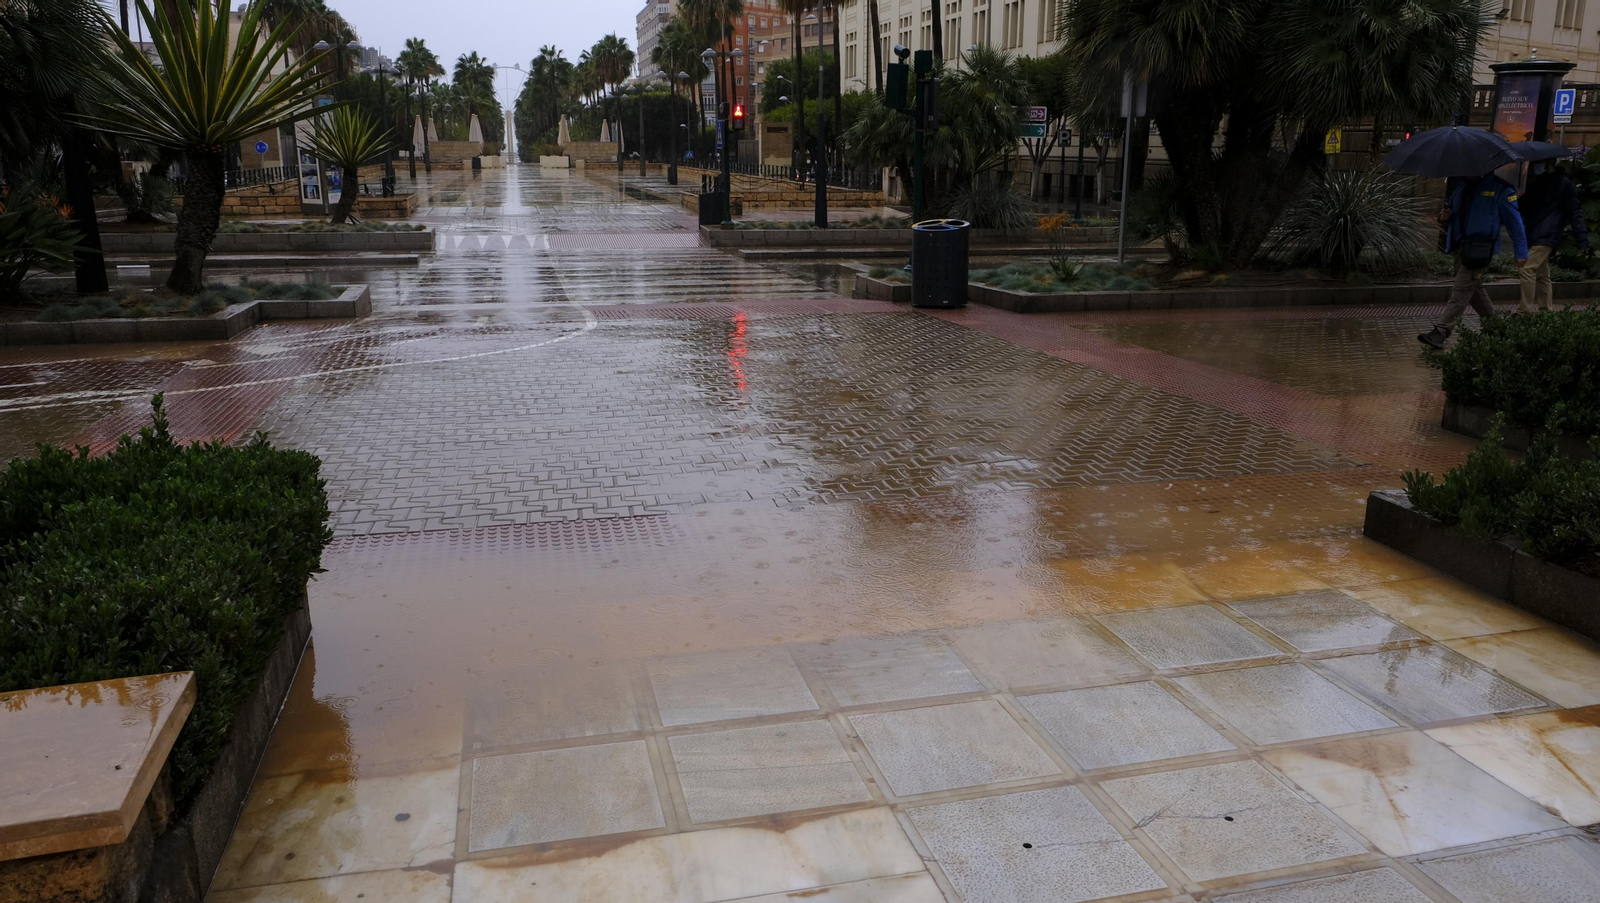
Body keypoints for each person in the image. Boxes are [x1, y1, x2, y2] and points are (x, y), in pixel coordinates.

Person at [1419, 171, 1528, 349]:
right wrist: (1444, 217)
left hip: (1480, 250)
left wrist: (1521, 251)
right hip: (1459, 247)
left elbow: (1515, 223)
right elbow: (1453, 214)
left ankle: (1441, 332)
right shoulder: (1461, 186)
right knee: (1473, 288)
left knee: (1461, 290)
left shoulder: (1501, 189)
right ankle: (1495, 326)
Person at [1516, 162, 1587, 312]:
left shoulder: (1563, 183)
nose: (1536, 166)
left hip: (1548, 233)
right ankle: (1546, 310)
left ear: (1549, 163)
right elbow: (1528, 208)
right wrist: (1520, 198)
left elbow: (1575, 212)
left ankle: (1524, 311)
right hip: (1536, 232)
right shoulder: (1538, 182)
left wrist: (1582, 239)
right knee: (1542, 274)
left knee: (1527, 268)